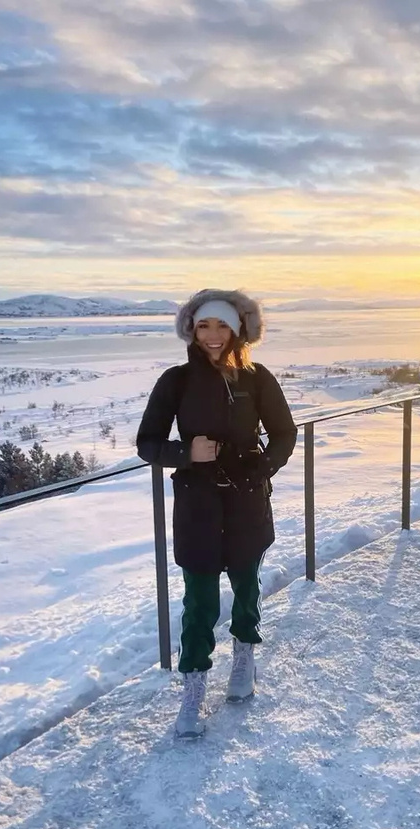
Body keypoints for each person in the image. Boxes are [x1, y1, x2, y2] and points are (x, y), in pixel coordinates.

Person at [137, 289, 297, 738]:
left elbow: (284, 433)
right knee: (199, 602)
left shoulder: (257, 378)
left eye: (222, 325)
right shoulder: (176, 381)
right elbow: (147, 443)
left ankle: (244, 660)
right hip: (198, 506)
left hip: (247, 502)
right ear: (191, 328)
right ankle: (193, 692)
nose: (212, 335)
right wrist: (187, 453)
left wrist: (261, 467)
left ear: (238, 329)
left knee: (247, 587)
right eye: (204, 325)